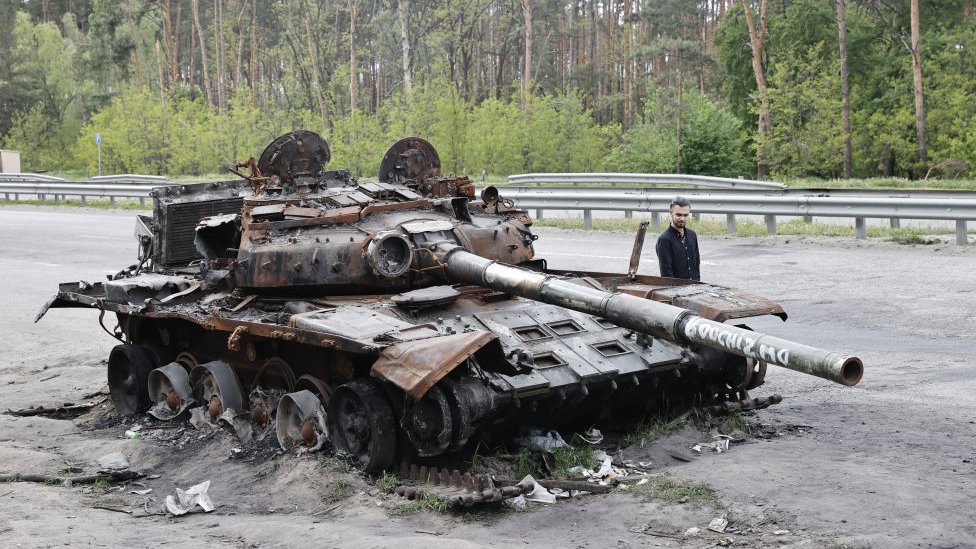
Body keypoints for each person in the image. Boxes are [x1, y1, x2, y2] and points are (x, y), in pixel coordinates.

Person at [655, 196, 700, 280]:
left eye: (685, 215)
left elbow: (696, 263)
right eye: (678, 215)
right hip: (676, 290)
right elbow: (666, 273)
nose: (682, 218)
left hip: (695, 288)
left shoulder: (692, 235)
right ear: (671, 212)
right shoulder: (664, 240)